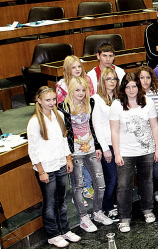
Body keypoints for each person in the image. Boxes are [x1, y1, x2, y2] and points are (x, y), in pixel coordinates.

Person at [110, 73, 158, 233]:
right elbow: (114, 131)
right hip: (125, 152)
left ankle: (147, 209)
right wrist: (117, 153)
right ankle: (124, 218)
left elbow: (154, 127)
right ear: (123, 88)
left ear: (138, 87)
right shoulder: (117, 105)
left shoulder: (147, 102)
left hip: (146, 150)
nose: (131, 90)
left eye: (134, 86)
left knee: (147, 181)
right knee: (124, 186)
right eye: (128, 87)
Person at [29, 86, 80, 248]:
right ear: (39, 101)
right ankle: (53, 234)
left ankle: (64, 229)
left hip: (60, 164)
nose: (51, 103)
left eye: (53, 99)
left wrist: (68, 159)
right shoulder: (35, 122)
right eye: (47, 100)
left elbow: (64, 139)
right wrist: (41, 171)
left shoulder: (58, 115)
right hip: (46, 168)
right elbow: (33, 149)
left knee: (61, 200)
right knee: (50, 203)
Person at [58, 77, 108, 233]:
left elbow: (94, 126)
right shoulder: (63, 107)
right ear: (71, 91)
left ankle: (98, 212)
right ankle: (83, 218)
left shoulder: (90, 103)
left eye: (83, 90)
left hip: (91, 148)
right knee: (78, 186)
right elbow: (63, 133)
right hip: (75, 152)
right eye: (77, 90)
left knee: (100, 183)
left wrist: (98, 146)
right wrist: (68, 155)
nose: (81, 93)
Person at [136, 66, 158, 206]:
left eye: (148, 77)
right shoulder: (134, 94)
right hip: (140, 137)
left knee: (156, 166)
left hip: (156, 135)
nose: (145, 80)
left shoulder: (157, 92)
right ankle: (144, 194)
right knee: (143, 167)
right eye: (142, 77)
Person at [91, 68, 119, 218]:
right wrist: (104, 148)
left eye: (114, 79)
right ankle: (106, 206)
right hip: (107, 145)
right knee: (111, 178)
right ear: (102, 80)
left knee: (119, 178)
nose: (112, 82)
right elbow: (97, 126)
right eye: (108, 79)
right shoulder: (96, 99)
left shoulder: (118, 98)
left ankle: (115, 203)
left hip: (119, 143)